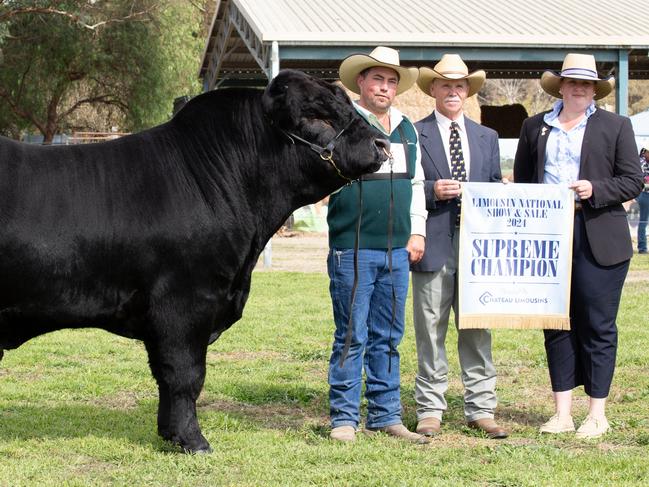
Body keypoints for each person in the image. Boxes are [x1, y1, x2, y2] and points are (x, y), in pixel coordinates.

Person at [514, 53, 643, 438]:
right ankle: (561, 412)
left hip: (599, 236)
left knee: (598, 326)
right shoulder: (534, 126)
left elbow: (633, 181)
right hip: (548, 238)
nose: (579, 88)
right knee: (555, 324)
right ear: (560, 85)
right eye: (572, 81)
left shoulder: (616, 126)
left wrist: (595, 189)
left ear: (594, 89)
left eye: (586, 83)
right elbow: (524, 181)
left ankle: (597, 413)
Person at [327, 46, 428, 443]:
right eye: (377, 79)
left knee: (389, 334)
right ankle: (344, 419)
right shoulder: (344, 123)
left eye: (390, 81)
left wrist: (416, 230)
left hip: (397, 250)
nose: (384, 87)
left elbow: (416, 182)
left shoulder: (407, 128)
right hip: (352, 247)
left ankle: (386, 415)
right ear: (361, 83)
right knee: (352, 334)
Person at [410, 54, 508, 439]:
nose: (453, 91)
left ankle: (481, 408)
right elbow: (408, 190)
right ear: (432, 89)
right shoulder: (414, 134)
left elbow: (494, 183)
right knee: (430, 328)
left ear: (468, 92)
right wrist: (433, 193)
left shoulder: (488, 137)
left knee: (477, 327)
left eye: (459, 86)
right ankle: (431, 408)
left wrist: (500, 193)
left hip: (477, 248)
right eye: (445, 85)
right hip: (433, 242)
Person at [636, 144, 649, 254]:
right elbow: (642, 181)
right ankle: (642, 248)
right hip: (644, 195)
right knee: (643, 221)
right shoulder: (641, 163)